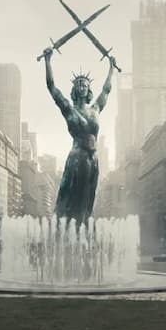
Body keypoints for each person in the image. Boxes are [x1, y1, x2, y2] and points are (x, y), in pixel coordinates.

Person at [42, 47, 117, 224]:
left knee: (88, 200)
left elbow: (106, 90)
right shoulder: (69, 109)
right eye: (79, 85)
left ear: (89, 89)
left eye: (85, 84)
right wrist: (47, 61)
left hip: (93, 160)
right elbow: (51, 87)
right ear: (75, 89)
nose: (82, 87)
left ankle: (83, 233)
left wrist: (111, 68)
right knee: (69, 197)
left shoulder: (96, 109)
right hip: (77, 158)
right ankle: (63, 230)